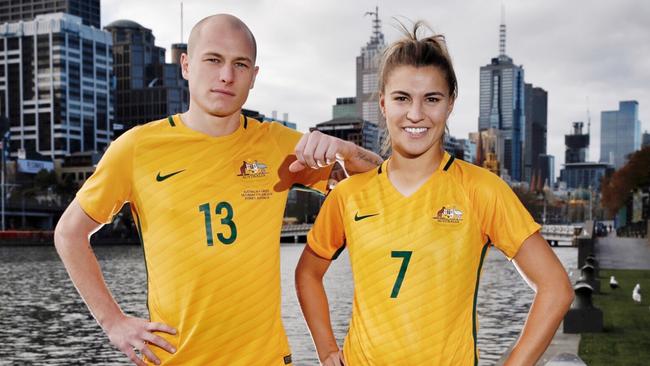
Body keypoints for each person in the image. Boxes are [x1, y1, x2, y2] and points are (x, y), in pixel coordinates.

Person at [54, 14, 382, 366]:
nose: (226, 76)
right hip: (176, 359)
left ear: (254, 77)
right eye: (213, 60)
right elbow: (69, 234)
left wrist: (346, 151)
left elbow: (383, 180)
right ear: (186, 65)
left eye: (240, 64)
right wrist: (113, 322)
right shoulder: (137, 148)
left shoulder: (276, 144)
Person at [295, 22, 574, 366]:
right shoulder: (349, 194)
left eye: (431, 99)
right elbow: (308, 273)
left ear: (450, 104)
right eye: (402, 98)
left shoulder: (480, 189)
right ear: (383, 103)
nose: (415, 114)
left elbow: (556, 288)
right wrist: (325, 350)